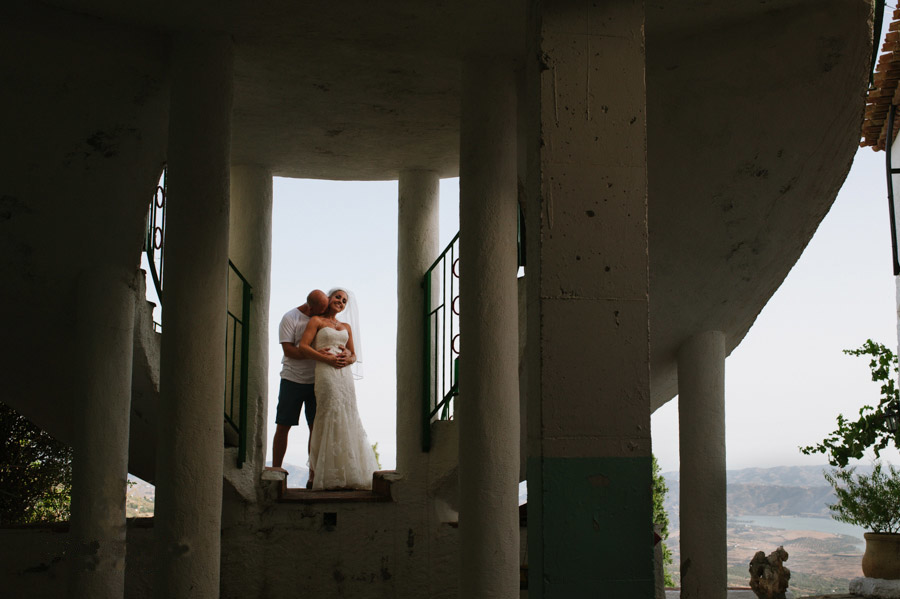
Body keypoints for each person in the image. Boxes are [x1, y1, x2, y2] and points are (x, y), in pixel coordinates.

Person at [298, 287, 378, 490]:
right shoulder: (316, 321)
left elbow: (353, 354)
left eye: (344, 300)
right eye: (338, 297)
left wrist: (348, 358)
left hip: (344, 376)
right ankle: (319, 473)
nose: (341, 301)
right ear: (329, 298)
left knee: (348, 413)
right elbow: (304, 347)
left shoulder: (346, 327)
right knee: (327, 414)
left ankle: (348, 471)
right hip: (325, 372)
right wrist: (324, 357)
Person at [269, 289, 350, 487]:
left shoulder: (321, 318)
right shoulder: (290, 318)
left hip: (318, 381)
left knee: (315, 428)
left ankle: (313, 476)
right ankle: (277, 471)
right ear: (310, 307)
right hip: (292, 379)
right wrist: (316, 354)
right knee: (283, 425)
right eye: (319, 310)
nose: (322, 313)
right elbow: (288, 351)